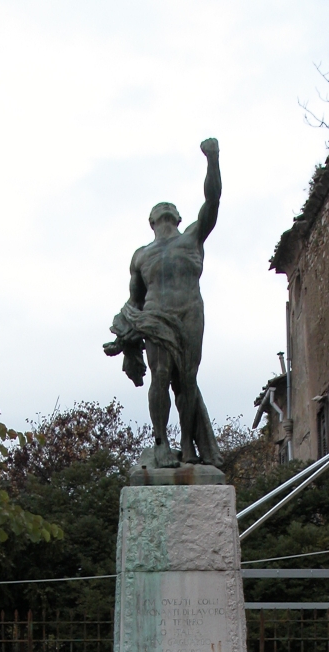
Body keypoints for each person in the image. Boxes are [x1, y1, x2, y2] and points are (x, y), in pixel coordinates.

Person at [104, 138, 223, 468]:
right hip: (156, 316)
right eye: (159, 211)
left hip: (189, 313)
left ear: (179, 217)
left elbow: (213, 199)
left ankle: (187, 446)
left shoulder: (193, 237)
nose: (165, 212)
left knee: (187, 381)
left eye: (169, 210)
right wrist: (124, 338)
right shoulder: (141, 255)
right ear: (152, 221)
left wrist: (212, 159)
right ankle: (160, 442)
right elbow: (134, 302)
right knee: (160, 375)